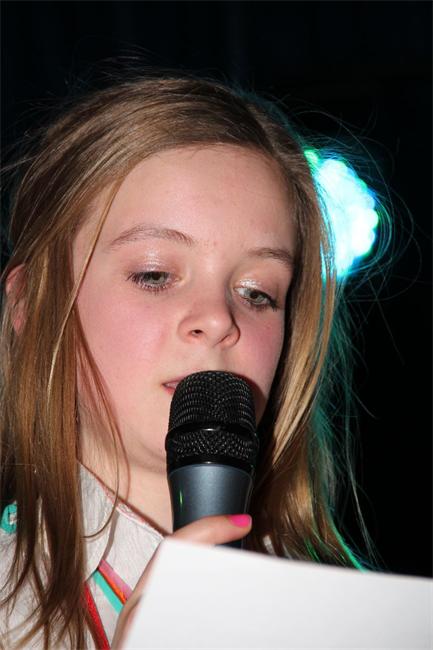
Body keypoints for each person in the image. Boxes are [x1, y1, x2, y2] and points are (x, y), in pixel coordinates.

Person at [0, 72, 377, 649]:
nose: (219, 319)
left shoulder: (357, 620)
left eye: (257, 292)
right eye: (154, 275)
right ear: (32, 303)